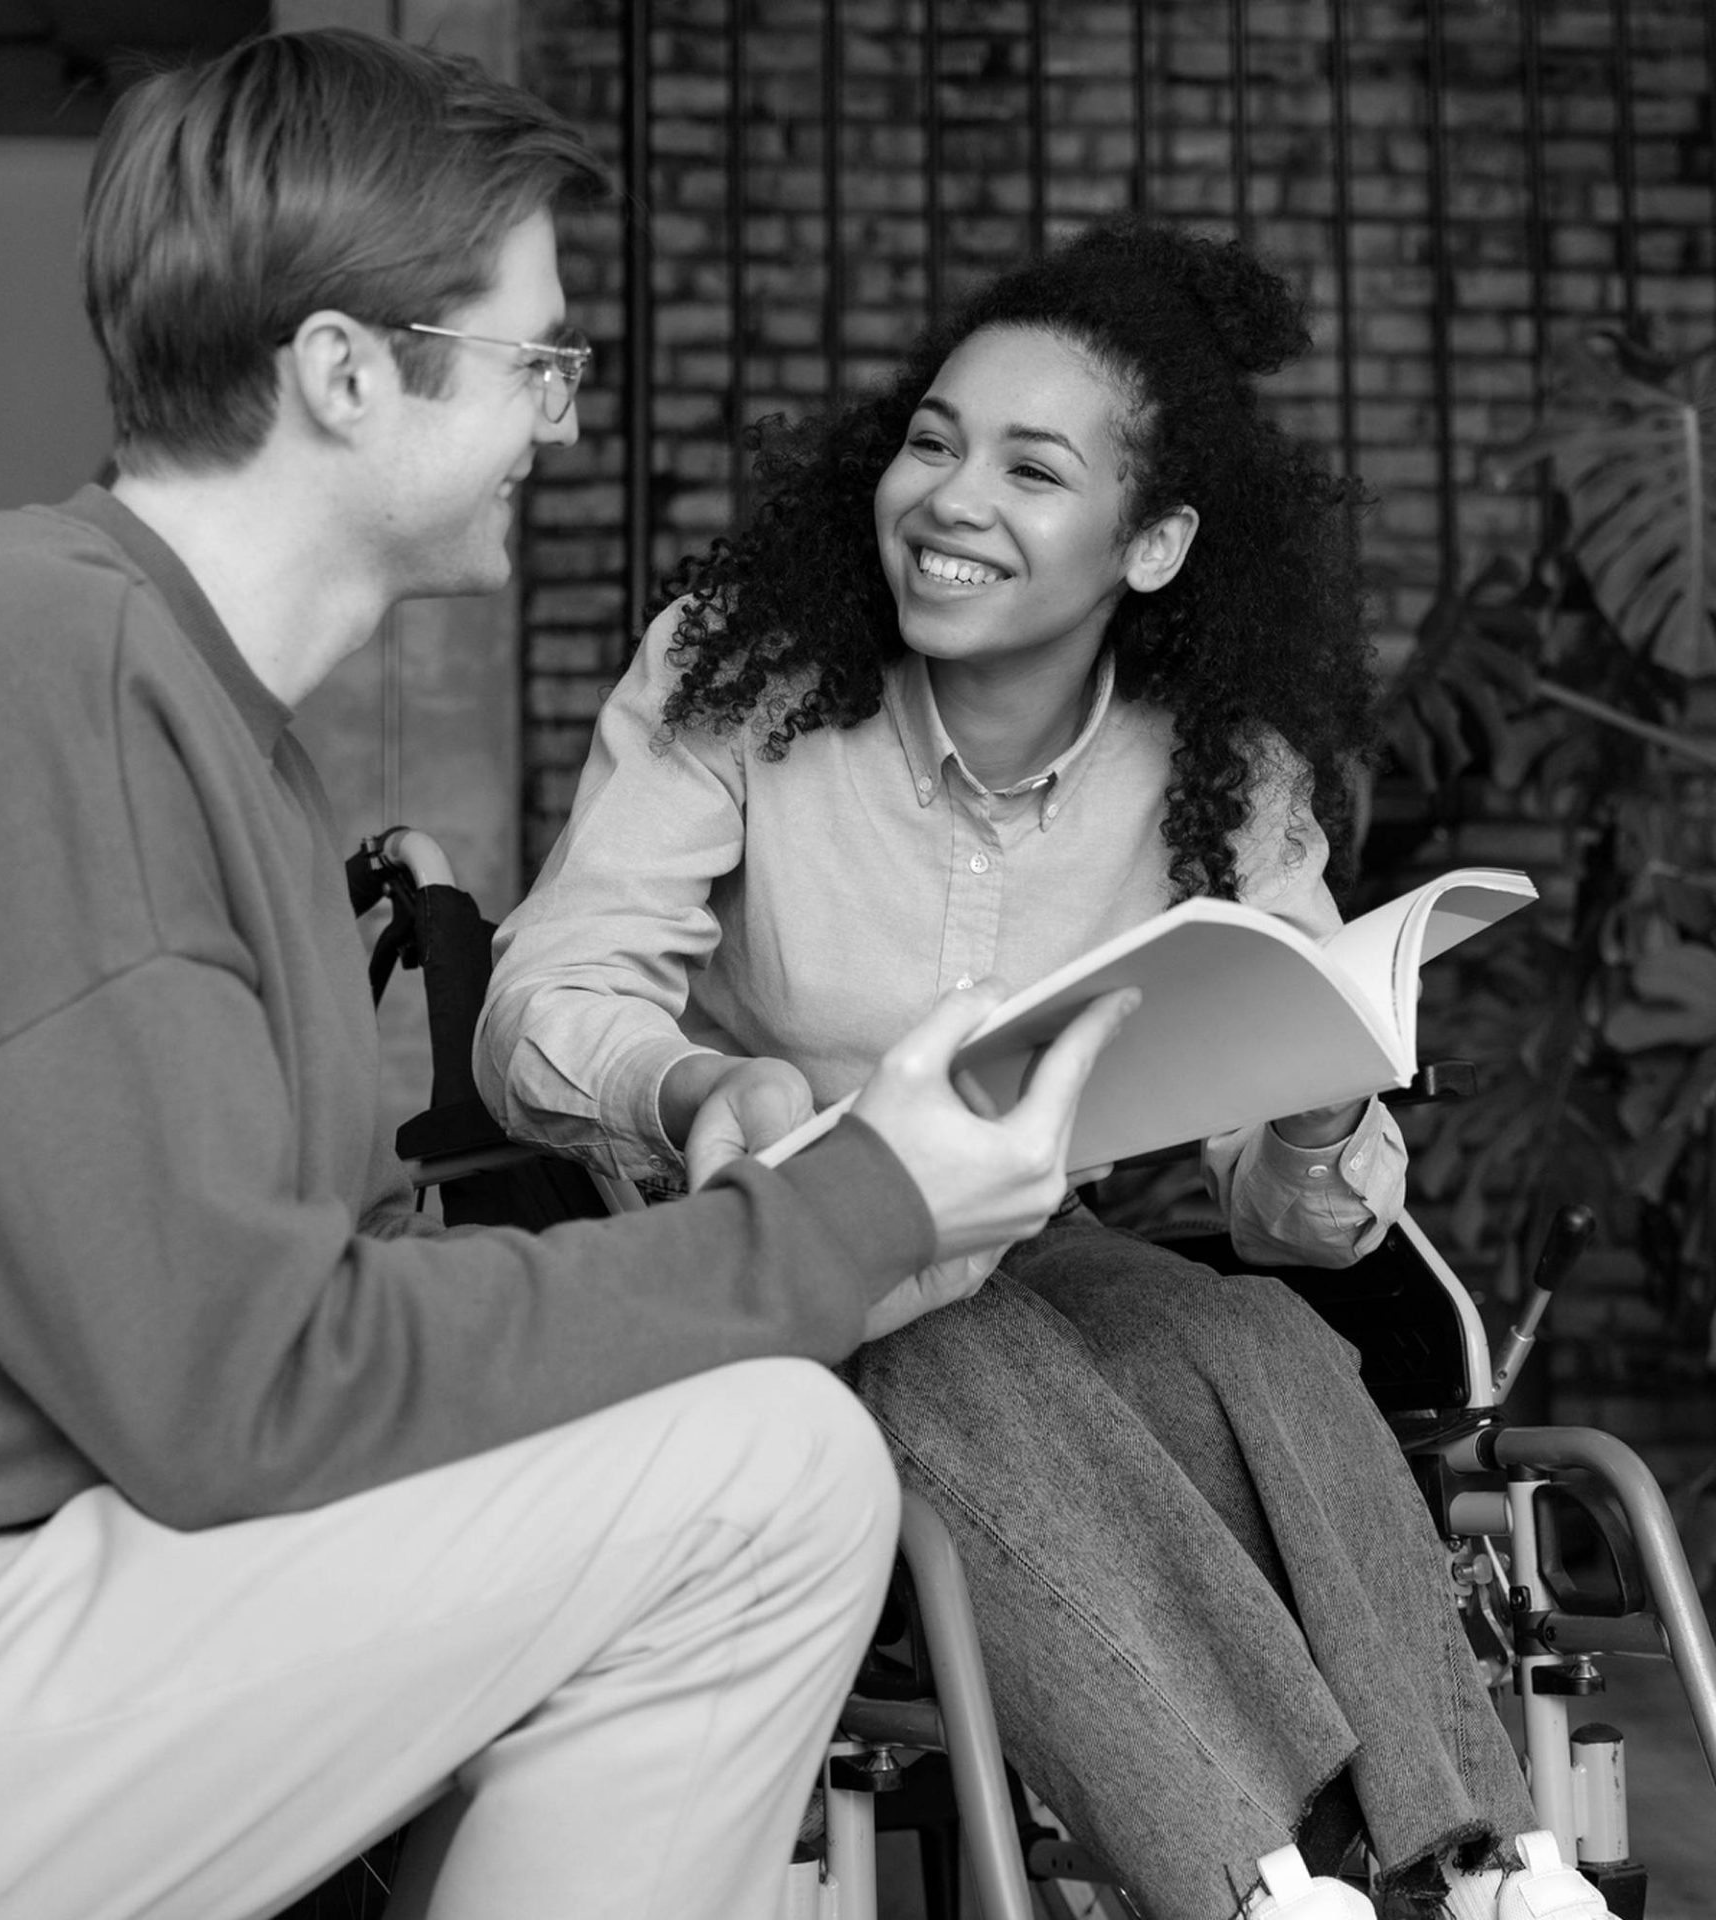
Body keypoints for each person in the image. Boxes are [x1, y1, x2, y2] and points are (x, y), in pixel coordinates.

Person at [0, 32, 1143, 1920]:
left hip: (25, 1615)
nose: (564, 425)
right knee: (767, 1477)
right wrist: (853, 1209)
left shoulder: (191, 715)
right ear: (346, 373)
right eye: (539, 364)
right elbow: (239, 1396)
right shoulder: (11, 664)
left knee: (749, 1478)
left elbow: (294, 1335)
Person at [476, 221, 1616, 1920]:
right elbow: (542, 1003)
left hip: (1029, 1247)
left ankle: (1478, 1868)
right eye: (932, 442)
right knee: (958, 1350)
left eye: (1030, 467)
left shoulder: (1224, 770)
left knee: (1249, 1332)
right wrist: (694, 1088)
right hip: (771, 1249)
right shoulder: (741, 678)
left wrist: (1312, 1121)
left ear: (1149, 545)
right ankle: (1257, 1882)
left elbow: (1288, 1218)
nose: (949, 497)